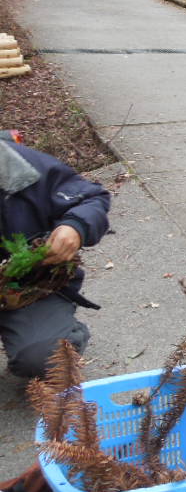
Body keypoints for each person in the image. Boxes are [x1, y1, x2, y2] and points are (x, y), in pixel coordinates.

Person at [0, 130, 110, 378]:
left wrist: (75, 227)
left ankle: (59, 334)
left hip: (26, 288)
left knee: (44, 357)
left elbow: (92, 199)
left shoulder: (15, 164)